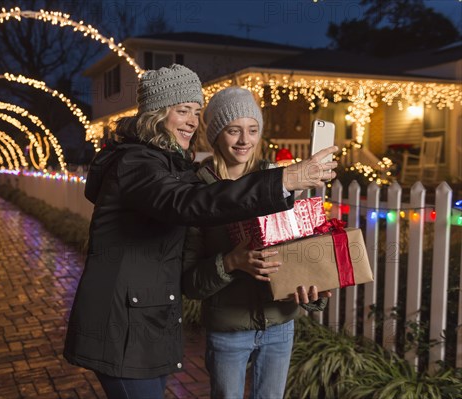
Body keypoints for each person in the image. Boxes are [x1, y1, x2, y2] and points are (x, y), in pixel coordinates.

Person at [63, 65, 338, 399]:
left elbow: (298, 255)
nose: (192, 120)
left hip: (146, 323)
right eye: (182, 110)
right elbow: (187, 204)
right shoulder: (137, 163)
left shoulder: (166, 166)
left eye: (196, 111)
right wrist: (286, 180)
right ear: (156, 113)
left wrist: (312, 287)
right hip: (124, 326)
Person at [182, 86, 332, 399]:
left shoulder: (279, 181)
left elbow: (301, 253)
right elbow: (190, 283)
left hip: (280, 325)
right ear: (216, 134)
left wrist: (315, 291)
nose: (244, 140)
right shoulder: (198, 191)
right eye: (233, 130)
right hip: (228, 331)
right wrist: (231, 262)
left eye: (252, 130)